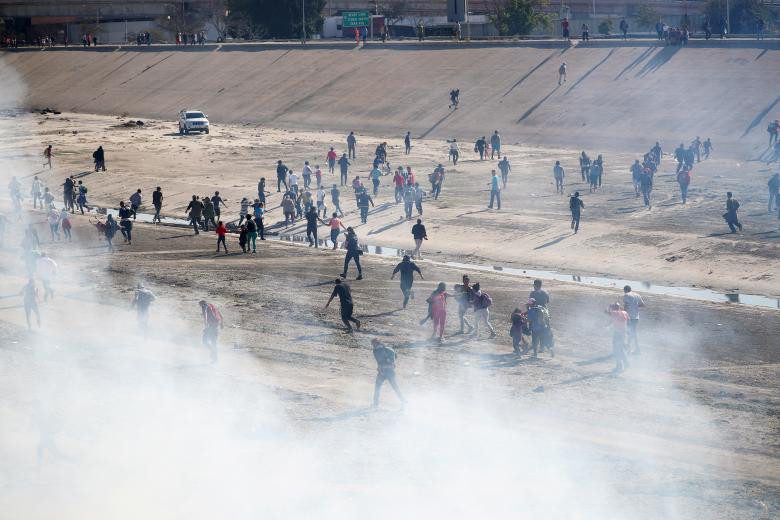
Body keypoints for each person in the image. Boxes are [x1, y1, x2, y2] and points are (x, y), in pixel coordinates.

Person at [371, 338, 404, 408]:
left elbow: (393, 365)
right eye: (372, 345)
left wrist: (382, 367)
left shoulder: (389, 351)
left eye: (374, 345)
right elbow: (379, 362)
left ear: (378, 343)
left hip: (390, 373)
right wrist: (380, 368)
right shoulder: (375, 351)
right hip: (382, 372)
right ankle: (375, 403)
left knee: (395, 387)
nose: (373, 346)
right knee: (377, 387)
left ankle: (403, 401)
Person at [607, 303, 629, 373]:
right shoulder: (624, 312)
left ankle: (619, 366)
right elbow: (627, 319)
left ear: (613, 308)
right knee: (621, 349)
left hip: (617, 333)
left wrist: (609, 308)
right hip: (624, 333)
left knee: (616, 350)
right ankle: (626, 363)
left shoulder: (614, 313)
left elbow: (607, 312)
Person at [622, 286, 645, 355]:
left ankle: (629, 349)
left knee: (629, 332)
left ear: (625, 290)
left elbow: (626, 306)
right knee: (633, 333)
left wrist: (624, 314)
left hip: (629, 317)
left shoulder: (626, 295)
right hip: (636, 317)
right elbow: (642, 305)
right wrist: (635, 306)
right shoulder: (637, 295)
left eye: (624, 291)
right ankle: (636, 349)